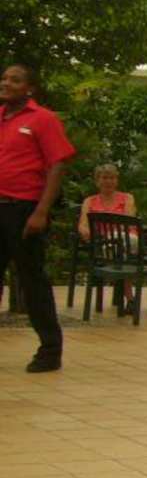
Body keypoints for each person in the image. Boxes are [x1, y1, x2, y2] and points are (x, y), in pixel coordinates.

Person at [0, 64, 74, 373]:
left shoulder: (43, 119)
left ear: (29, 88)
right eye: (4, 78)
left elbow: (58, 164)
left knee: (32, 280)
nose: (6, 83)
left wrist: (41, 211)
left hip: (24, 209)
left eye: (15, 80)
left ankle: (50, 350)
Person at [77, 162, 136, 240]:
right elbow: (83, 225)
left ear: (117, 181)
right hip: (100, 240)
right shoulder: (89, 201)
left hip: (125, 238)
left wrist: (111, 235)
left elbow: (129, 223)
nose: (108, 181)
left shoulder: (127, 198)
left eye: (112, 178)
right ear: (97, 181)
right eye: (104, 178)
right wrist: (86, 232)